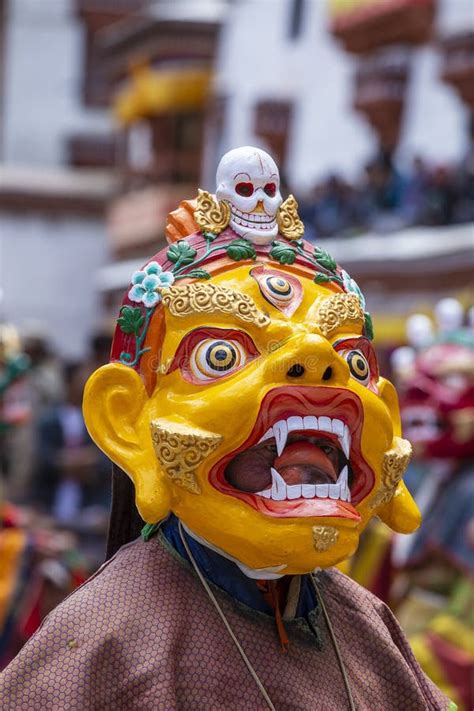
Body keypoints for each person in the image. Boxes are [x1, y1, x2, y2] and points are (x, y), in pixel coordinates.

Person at [0, 147, 454, 710]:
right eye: (221, 355)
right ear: (126, 423)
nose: (315, 359)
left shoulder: (369, 624)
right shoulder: (102, 646)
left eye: (353, 361)